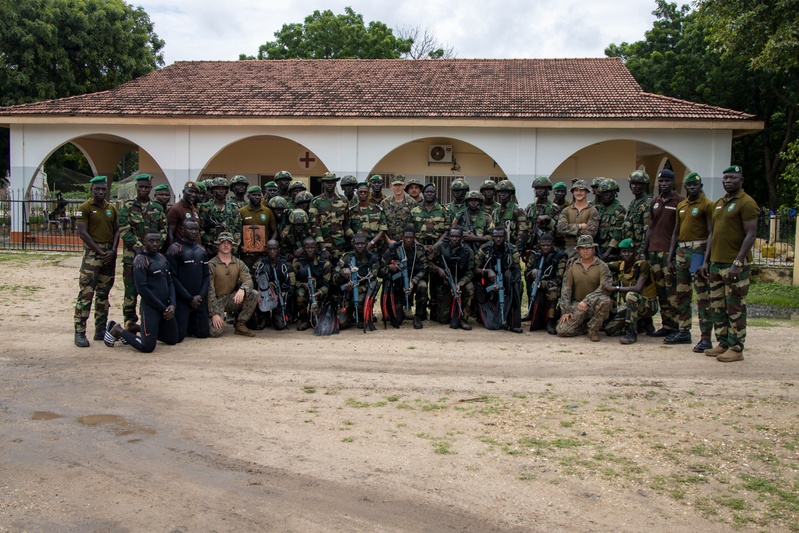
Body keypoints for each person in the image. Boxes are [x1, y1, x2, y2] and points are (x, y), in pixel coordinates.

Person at [701, 165, 758, 362]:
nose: (727, 181)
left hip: (734, 265)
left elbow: (751, 234)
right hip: (716, 263)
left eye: (732, 178)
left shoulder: (746, 203)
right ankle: (723, 342)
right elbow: (713, 234)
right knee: (718, 306)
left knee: (735, 306)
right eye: (725, 177)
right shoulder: (719, 203)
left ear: (741, 180)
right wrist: (706, 260)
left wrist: (738, 261)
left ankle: (736, 347)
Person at [104, 229, 179, 352]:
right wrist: (162, 308)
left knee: (172, 339)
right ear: (144, 242)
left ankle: (134, 327)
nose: (155, 244)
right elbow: (142, 290)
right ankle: (118, 330)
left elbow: (170, 282)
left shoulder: (162, 257)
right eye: (151, 241)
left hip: (166, 307)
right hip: (151, 308)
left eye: (157, 241)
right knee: (147, 347)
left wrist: (172, 304)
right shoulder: (140, 261)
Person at [666, 172, 714, 350]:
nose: (692, 188)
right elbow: (675, 232)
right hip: (682, 251)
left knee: (702, 296)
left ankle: (706, 337)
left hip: (698, 251)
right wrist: (670, 257)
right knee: (682, 293)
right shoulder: (682, 205)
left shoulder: (707, 205)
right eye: (689, 185)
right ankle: (684, 330)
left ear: (700, 186)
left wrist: (706, 259)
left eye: (695, 185)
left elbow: (711, 232)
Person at [73, 176, 120, 347]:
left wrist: (113, 250)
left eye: (103, 189)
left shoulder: (111, 208)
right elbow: (83, 234)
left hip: (109, 254)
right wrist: (100, 252)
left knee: (103, 294)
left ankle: (100, 329)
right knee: (86, 294)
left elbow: (116, 231)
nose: (100, 192)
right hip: (93, 255)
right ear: (92, 190)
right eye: (97, 189)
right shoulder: (84, 208)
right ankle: (79, 332)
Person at [118, 173, 167, 329]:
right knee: (131, 292)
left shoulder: (157, 208)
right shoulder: (127, 207)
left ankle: (152, 323)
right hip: (133, 256)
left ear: (151, 189)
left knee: (153, 290)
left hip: (153, 258)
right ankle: (130, 324)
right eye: (141, 187)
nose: (144, 189)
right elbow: (124, 230)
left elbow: (163, 229)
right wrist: (141, 247)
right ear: (136, 187)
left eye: (147, 187)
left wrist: (156, 245)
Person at [641, 169, 684, 337]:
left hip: (669, 252)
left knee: (671, 291)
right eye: (662, 181)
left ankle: (677, 326)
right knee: (660, 292)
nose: (664, 184)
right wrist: (645, 250)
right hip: (653, 252)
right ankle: (666, 325)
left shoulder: (680, 201)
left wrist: (674, 254)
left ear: (673, 183)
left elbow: (679, 230)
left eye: (667, 181)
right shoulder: (655, 202)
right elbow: (650, 227)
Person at [556, 235, 613, 341]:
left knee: (606, 301)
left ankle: (593, 330)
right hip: (577, 305)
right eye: (582, 248)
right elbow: (566, 289)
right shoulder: (572, 266)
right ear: (578, 250)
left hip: (594, 304)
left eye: (588, 248)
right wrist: (566, 310)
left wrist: (587, 301)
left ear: (593, 249)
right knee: (562, 331)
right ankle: (584, 327)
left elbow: (604, 288)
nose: (585, 251)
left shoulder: (602, 266)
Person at [603, 238, 659, 344]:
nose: (627, 254)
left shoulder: (642, 265)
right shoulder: (620, 265)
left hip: (649, 305)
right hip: (633, 308)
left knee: (631, 295)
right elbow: (600, 263)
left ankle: (632, 333)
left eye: (630, 251)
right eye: (624, 252)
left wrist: (616, 288)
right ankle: (642, 324)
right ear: (620, 254)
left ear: (635, 252)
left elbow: (638, 288)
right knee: (610, 330)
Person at [165, 219, 210, 341]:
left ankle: (189, 324)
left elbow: (206, 275)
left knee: (203, 333)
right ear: (182, 230)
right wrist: (189, 298)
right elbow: (172, 277)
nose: (194, 232)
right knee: (178, 337)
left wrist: (200, 296)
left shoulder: (201, 250)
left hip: (198, 299)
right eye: (190, 229)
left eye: (196, 229)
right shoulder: (174, 249)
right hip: (182, 299)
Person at [207, 232, 258, 338]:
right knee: (215, 332)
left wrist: (242, 289)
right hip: (216, 301)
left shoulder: (238, 263)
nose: (226, 245)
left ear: (233, 246)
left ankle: (240, 324)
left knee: (253, 294)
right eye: (223, 243)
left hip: (231, 298)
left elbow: (248, 281)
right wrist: (214, 313)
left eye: (229, 243)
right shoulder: (211, 265)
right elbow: (209, 290)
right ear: (218, 245)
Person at [410, 183, 448, 320]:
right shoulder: (415, 211)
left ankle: (435, 311)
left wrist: (437, 245)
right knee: (422, 282)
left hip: (437, 251)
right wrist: (420, 246)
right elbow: (410, 232)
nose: (429, 194)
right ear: (423, 194)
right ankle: (421, 312)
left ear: (435, 194)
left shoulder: (442, 211)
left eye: (432, 192)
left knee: (437, 283)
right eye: (427, 192)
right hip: (419, 251)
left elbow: (447, 231)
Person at [474, 227, 523, 333]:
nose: (498, 239)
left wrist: (508, 284)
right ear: (492, 237)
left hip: (506, 280)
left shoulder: (512, 249)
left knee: (518, 286)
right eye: (496, 236)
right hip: (488, 281)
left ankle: (513, 321)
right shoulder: (485, 249)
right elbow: (474, 269)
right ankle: (483, 315)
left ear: (505, 237)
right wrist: (487, 271)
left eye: (501, 236)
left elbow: (517, 269)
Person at [382, 226, 429, 329]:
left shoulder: (419, 249)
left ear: (414, 237)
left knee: (423, 286)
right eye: (406, 237)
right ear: (402, 237)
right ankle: (400, 310)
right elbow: (380, 270)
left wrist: (413, 282)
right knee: (397, 321)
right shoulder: (393, 249)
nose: (408, 240)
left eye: (411, 237)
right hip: (398, 285)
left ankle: (418, 316)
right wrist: (390, 268)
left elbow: (424, 269)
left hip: (414, 281)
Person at [429, 227, 474, 330]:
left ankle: (463, 318)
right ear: (449, 237)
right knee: (443, 320)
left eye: (457, 236)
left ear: (462, 237)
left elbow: (470, 272)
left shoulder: (467, 251)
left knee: (470, 288)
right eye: (452, 236)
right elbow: (427, 263)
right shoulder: (440, 247)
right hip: (444, 282)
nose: (454, 239)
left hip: (460, 281)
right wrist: (438, 269)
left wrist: (460, 284)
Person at [523, 233, 566, 334]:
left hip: (554, 286)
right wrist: (532, 272)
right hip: (537, 285)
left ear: (553, 244)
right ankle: (531, 313)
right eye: (543, 245)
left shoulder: (560, 256)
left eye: (548, 245)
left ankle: (550, 321)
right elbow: (526, 273)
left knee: (552, 291)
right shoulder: (535, 255)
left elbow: (560, 279)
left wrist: (544, 283)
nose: (545, 247)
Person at [335, 233, 381, 329]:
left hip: (363, 293)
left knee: (360, 299)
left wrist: (357, 289)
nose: (360, 246)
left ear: (367, 243)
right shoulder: (346, 258)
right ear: (353, 244)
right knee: (341, 324)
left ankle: (362, 317)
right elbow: (334, 278)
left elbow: (373, 282)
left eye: (362, 243)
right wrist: (342, 274)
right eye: (357, 243)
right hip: (347, 295)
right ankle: (349, 314)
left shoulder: (373, 259)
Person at [309, 172, 353, 264]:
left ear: (335, 183)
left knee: (340, 270)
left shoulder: (343, 200)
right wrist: (323, 248)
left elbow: (345, 223)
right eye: (327, 182)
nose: (330, 184)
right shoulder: (316, 202)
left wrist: (353, 237)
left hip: (339, 244)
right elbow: (314, 226)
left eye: (332, 182)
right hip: (323, 244)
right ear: (323, 184)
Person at [252, 240, 295, 331]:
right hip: (263, 296)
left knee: (280, 326)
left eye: (274, 249)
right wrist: (265, 284)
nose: (272, 252)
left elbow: (292, 284)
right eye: (269, 249)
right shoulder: (259, 264)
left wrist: (285, 292)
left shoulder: (285, 265)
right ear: (266, 250)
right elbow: (252, 281)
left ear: (278, 250)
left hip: (279, 296)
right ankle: (264, 316)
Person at [293, 237, 332, 331]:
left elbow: (327, 285)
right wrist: (302, 285)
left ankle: (317, 317)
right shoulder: (297, 262)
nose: (310, 250)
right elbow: (292, 281)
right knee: (300, 294)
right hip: (305, 290)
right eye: (307, 247)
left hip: (319, 292)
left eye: (312, 247)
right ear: (303, 248)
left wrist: (319, 293)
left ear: (316, 248)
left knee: (317, 320)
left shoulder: (324, 263)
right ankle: (304, 320)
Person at [199, 177, 242, 257]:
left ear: (227, 191)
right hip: (211, 250)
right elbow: (200, 229)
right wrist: (211, 243)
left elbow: (238, 230)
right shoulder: (205, 208)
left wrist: (234, 246)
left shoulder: (233, 208)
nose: (221, 191)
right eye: (218, 188)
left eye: (223, 188)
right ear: (212, 190)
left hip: (230, 249)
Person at [555, 179, 599, 257]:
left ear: (586, 192)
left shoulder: (593, 211)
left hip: (586, 250)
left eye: (581, 190)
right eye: (576, 190)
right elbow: (561, 228)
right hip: (568, 250)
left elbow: (590, 232)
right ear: (573, 192)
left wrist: (569, 230)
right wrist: (580, 226)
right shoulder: (566, 210)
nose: (579, 193)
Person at [239, 185, 277, 271]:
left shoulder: (267, 211)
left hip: (263, 253)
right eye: (254, 195)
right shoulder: (241, 211)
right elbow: (238, 230)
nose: (257, 197)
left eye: (259, 195)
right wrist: (241, 245)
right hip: (247, 254)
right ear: (248, 196)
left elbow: (274, 231)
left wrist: (270, 244)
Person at [621, 169, 652, 256]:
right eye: (632, 183)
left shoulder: (648, 204)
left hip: (639, 249)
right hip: (629, 249)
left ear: (645, 186)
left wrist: (642, 251)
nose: (634, 186)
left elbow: (647, 230)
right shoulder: (633, 203)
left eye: (638, 184)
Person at [524, 176, 560, 251]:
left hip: (548, 247)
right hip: (532, 246)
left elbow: (559, 230)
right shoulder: (530, 207)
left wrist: (549, 220)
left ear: (547, 190)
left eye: (542, 188)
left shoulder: (554, 208)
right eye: (537, 188)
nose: (539, 191)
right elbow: (525, 227)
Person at [492, 180, 528, 251]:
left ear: (510, 193)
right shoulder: (495, 211)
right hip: (498, 247)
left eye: (505, 192)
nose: (503, 194)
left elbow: (522, 233)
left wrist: (516, 250)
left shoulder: (518, 210)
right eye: (500, 192)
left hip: (512, 247)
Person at [453, 190, 493, 254]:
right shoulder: (460, 215)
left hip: (481, 250)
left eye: (476, 200)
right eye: (471, 200)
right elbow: (452, 231)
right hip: (463, 248)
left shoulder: (487, 217)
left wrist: (475, 238)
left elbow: (492, 236)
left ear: (480, 202)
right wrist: (462, 234)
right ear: (467, 202)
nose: (473, 203)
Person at [596, 179, 627, 262]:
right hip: (598, 249)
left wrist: (607, 253)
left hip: (612, 252)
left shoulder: (620, 209)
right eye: (603, 193)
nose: (605, 195)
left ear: (614, 193)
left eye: (608, 192)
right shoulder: (599, 208)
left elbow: (618, 233)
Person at [380, 175, 417, 244]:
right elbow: (381, 224)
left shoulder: (412, 203)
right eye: (395, 185)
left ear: (404, 186)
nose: (397, 187)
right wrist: (389, 241)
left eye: (400, 185)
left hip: (407, 243)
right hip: (388, 243)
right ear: (391, 186)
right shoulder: (384, 203)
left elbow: (415, 224)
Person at [166, 181, 201, 247]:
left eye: (195, 192)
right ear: (183, 191)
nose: (193, 194)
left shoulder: (195, 209)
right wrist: (172, 250)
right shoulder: (175, 209)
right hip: (182, 249)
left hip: (196, 249)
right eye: (190, 191)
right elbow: (170, 233)